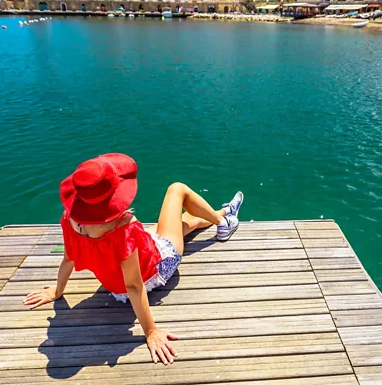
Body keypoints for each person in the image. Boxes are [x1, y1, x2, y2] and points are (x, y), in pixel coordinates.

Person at [22, 153, 244, 365]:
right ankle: (223, 221)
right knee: (177, 190)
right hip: (158, 268)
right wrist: (151, 331)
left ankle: (224, 213)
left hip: (115, 287)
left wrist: (57, 291)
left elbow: (69, 258)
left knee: (182, 222)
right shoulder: (124, 228)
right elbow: (134, 285)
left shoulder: (70, 219)